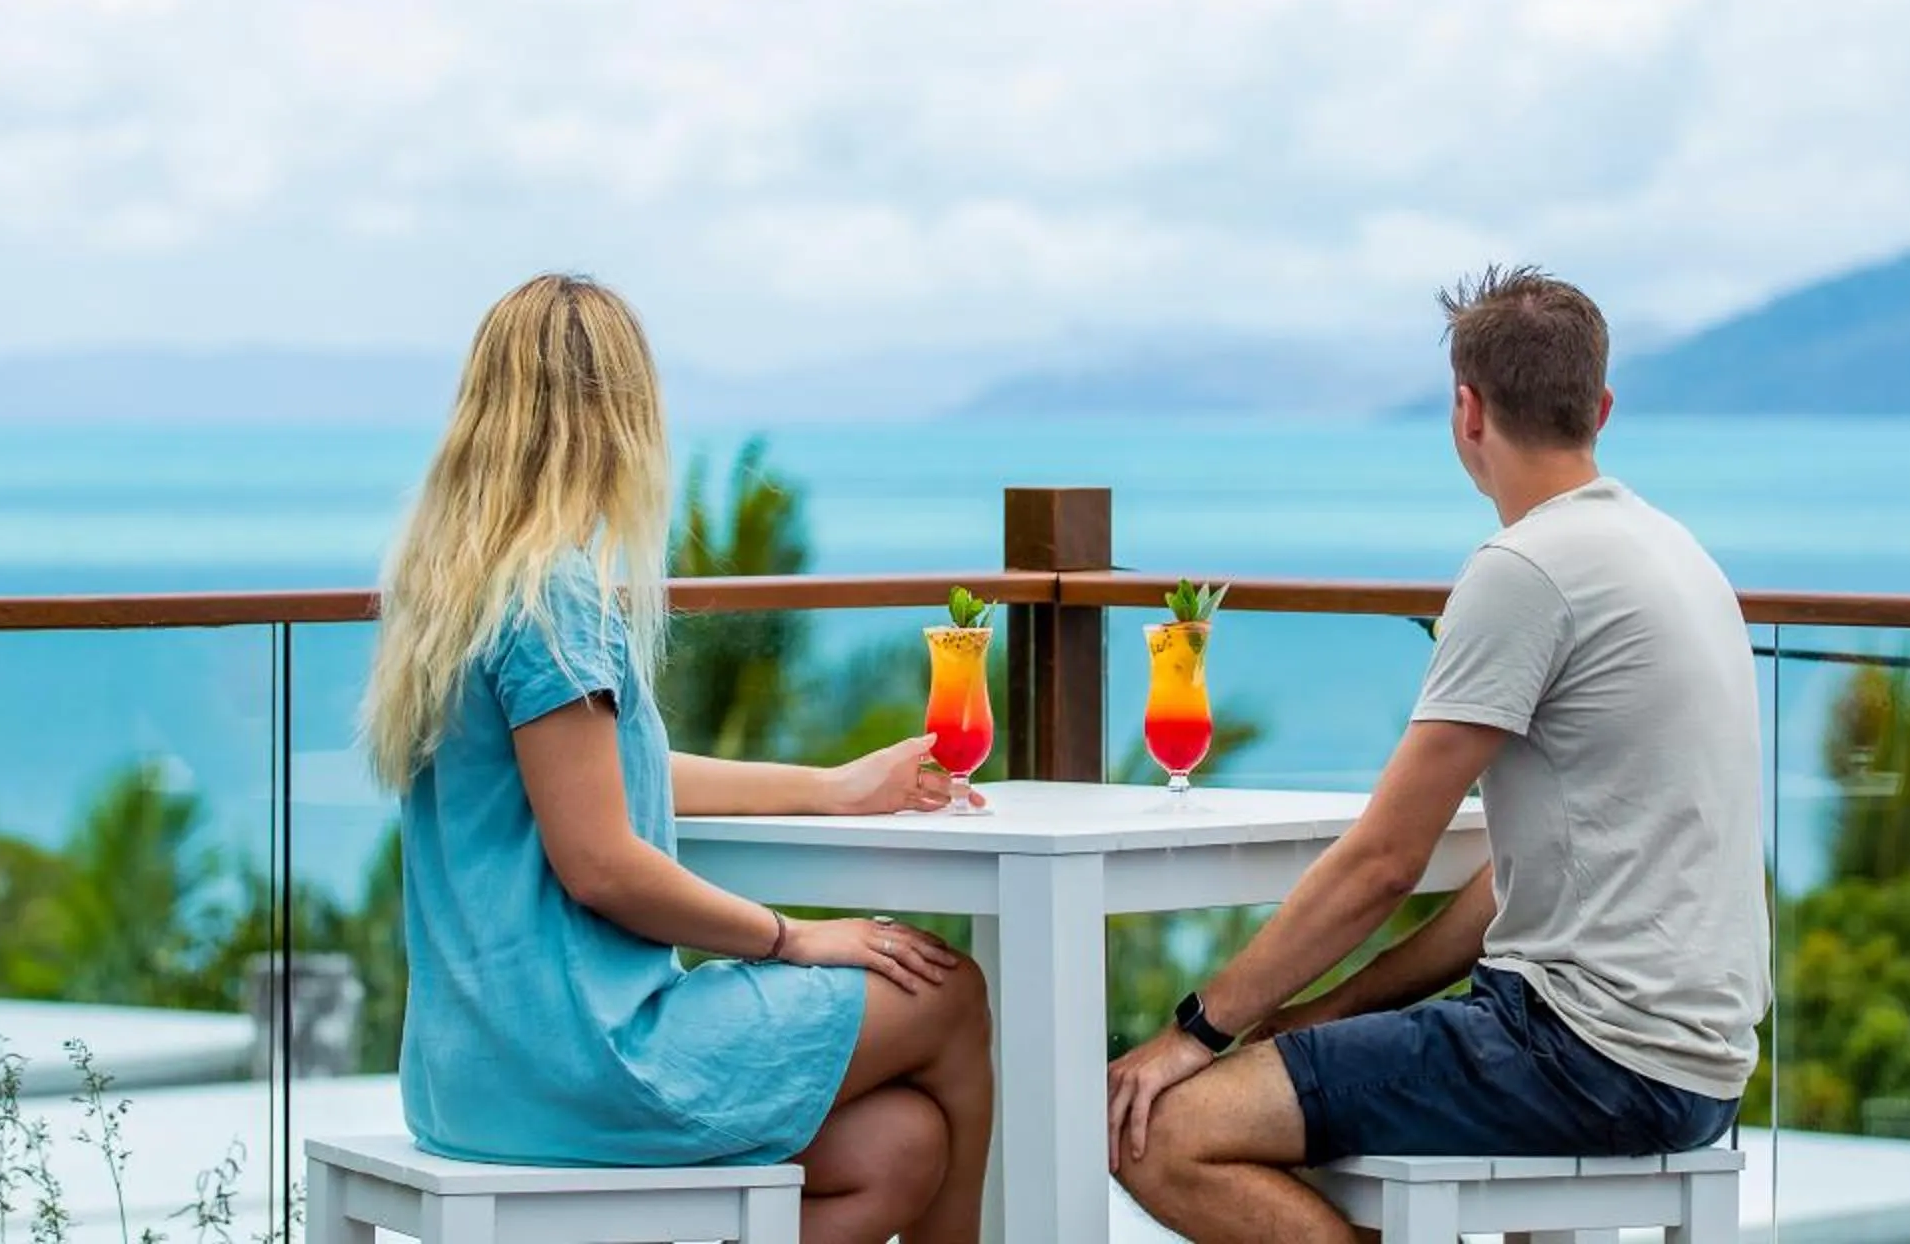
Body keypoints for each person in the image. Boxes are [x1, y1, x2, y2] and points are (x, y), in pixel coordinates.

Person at [1106, 265, 1769, 1242]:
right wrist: (1329, 1007)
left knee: (1152, 1127)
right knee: (1282, 1097)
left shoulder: (1526, 569)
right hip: (1696, 1064)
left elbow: (1382, 864)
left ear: (1466, 410)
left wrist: (1194, 1030)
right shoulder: (1676, 552)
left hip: (1581, 1053)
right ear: (1602, 407)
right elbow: (1513, 881)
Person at [362, 273, 993, 1244]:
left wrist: (832, 788)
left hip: (467, 1076)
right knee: (947, 989)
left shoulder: (456, 591)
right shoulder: (554, 599)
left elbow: (600, 777)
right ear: (619, 416)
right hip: (586, 1059)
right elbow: (602, 860)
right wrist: (795, 935)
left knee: (896, 1147)